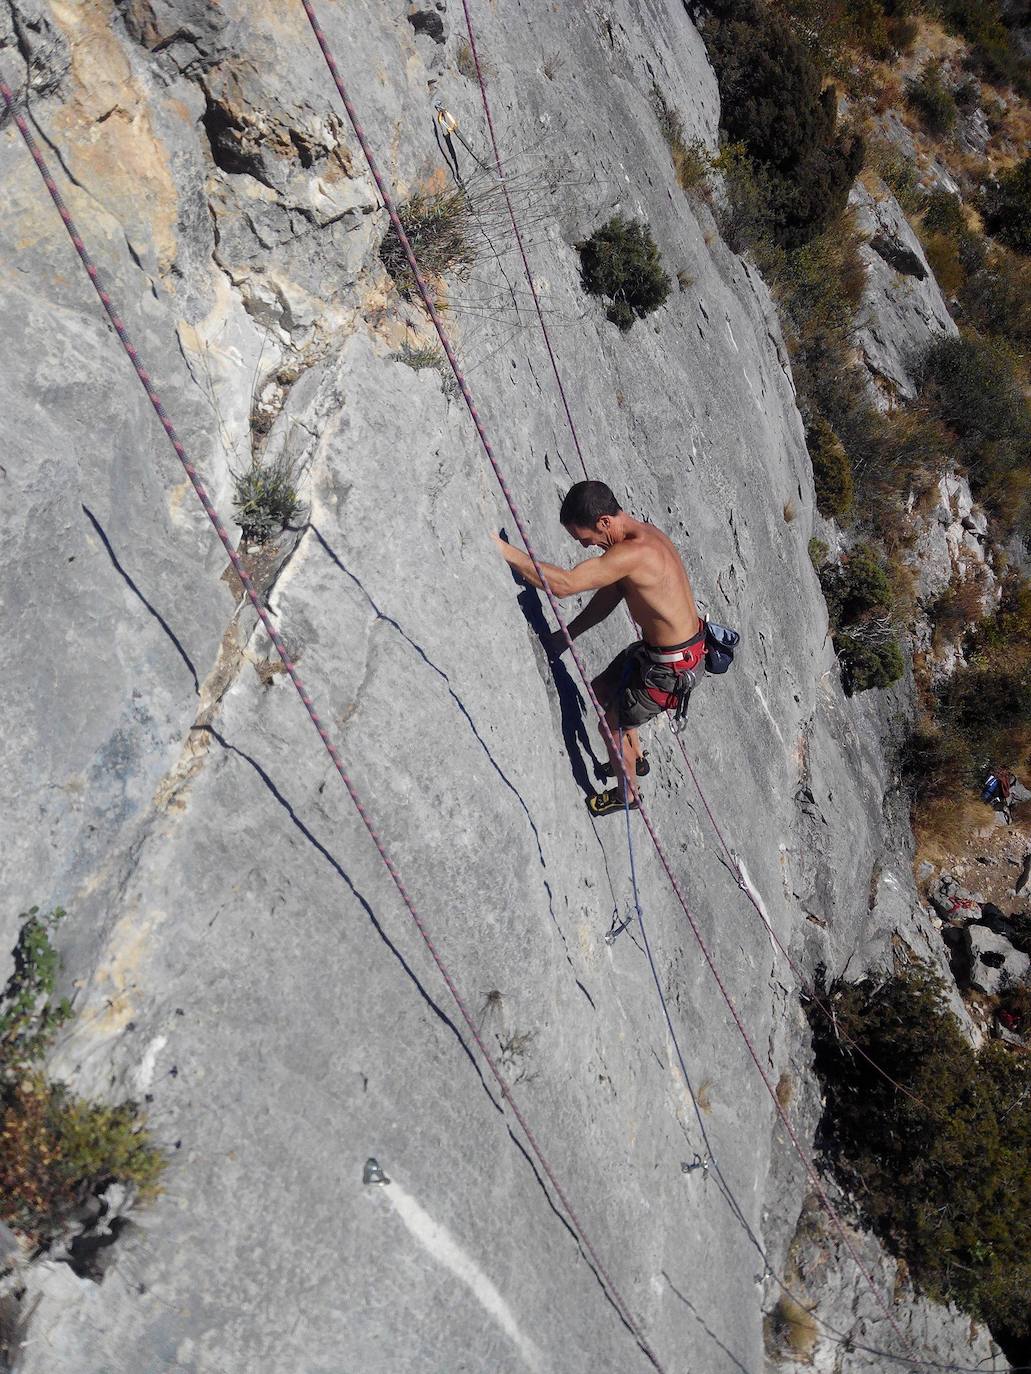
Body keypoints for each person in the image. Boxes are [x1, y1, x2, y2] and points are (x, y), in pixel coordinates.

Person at [493, 480, 703, 816]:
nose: (587, 546)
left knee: (610, 724)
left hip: (669, 670)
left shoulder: (634, 554)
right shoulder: (641, 536)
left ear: (604, 522)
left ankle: (627, 794)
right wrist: (568, 635)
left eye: (585, 538)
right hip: (665, 654)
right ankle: (633, 755)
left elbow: (564, 585)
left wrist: (502, 550)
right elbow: (611, 594)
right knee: (601, 689)